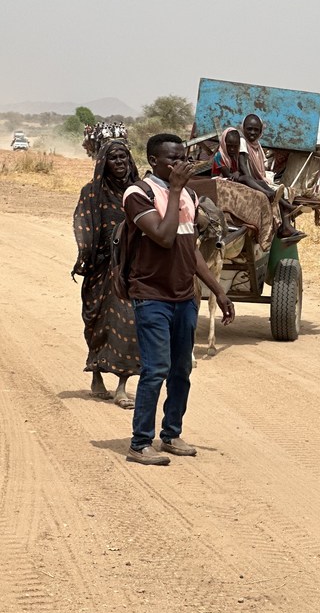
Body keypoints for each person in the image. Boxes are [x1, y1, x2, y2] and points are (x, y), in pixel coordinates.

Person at [122, 133, 235, 466]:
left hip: (184, 297)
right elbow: (165, 236)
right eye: (173, 160)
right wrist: (173, 191)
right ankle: (140, 443)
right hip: (152, 295)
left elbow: (190, 249)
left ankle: (171, 434)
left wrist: (217, 289)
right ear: (154, 161)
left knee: (181, 370)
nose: (181, 165)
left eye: (183, 158)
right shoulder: (138, 194)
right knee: (156, 370)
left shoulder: (189, 195)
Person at [72, 140, 141, 409]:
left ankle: (122, 387)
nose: (120, 162)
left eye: (124, 156)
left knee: (127, 324)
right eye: (114, 157)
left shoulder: (139, 192)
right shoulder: (91, 193)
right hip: (100, 269)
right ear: (104, 162)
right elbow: (84, 228)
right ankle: (97, 376)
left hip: (131, 270)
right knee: (96, 323)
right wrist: (87, 258)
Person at [211, 127, 304, 243]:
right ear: (224, 144)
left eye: (235, 146)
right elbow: (227, 174)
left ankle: (280, 200)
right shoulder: (220, 156)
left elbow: (236, 173)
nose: (231, 149)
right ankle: (272, 196)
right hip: (220, 182)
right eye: (229, 146)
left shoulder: (234, 155)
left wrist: (237, 173)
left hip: (231, 181)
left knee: (260, 182)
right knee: (246, 178)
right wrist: (236, 173)